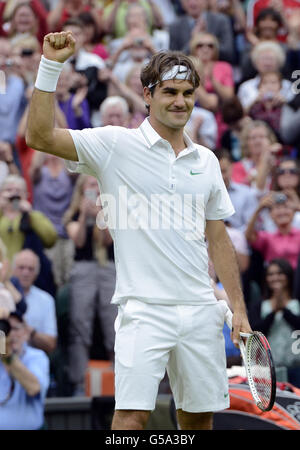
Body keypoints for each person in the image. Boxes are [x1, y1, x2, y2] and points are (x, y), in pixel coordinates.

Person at [25, 33, 251, 430]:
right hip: (142, 310)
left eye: (187, 92)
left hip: (201, 308)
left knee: (199, 421)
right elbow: (39, 137)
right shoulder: (114, 144)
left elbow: (218, 239)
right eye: (169, 92)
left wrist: (239, 309)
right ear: (147, 95)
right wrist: (50, 65)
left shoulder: (208, 161)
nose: (180, 101)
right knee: (130, 420)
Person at [63, 174, 116, 396]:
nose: (95, 188)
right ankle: (79, 382)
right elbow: (79, 240)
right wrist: (86, 214)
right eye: (91, 185)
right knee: (79, 324)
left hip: (109, 268)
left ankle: (119, 378)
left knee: (114, 323)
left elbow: (107, 240)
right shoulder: (74, 213)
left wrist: (101, 216)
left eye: (98, 184)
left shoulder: (113, 211)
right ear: (81, 190)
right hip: (84, 268)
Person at [248, 258, 300, 387]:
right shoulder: (259, 305)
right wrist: (273, 313)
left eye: (279, 273)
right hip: (268, 370)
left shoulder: (297, 302)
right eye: (271, 274)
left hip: (296, 367)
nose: (275, 278)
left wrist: (285, 311)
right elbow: (255, 334)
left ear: (288, 275)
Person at [0, 311, 50, 430]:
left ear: (26, 333)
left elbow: (34, 388)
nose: (10, 334)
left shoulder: (36, 357)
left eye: (15, 329)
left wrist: (7, 356)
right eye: (5, 330)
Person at [12, 249, 57, 354]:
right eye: (21, 267)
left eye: (30, 269)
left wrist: (30, 331)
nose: (25, 272)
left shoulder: (46, 300)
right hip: (4, 354)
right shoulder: (3, 294)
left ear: (36, 274)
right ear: (12, 270)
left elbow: (51, 344)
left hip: (32, 356)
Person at [245, 191, 300, 270]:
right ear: (271, 215)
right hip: (275, 279)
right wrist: (259, 209)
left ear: (294, 212)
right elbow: (249, 236)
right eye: (277, 208)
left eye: (286, 207)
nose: (282, 211)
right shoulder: (268, 237)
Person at [169, 0, 235, 63]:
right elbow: (173, 60)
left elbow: (229, 53)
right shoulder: (175, 26)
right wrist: (193, 40)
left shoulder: (221, 21)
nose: (192, 3)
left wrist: (207, 41)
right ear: (182, 3)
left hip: (216, 70)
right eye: (188, 0)